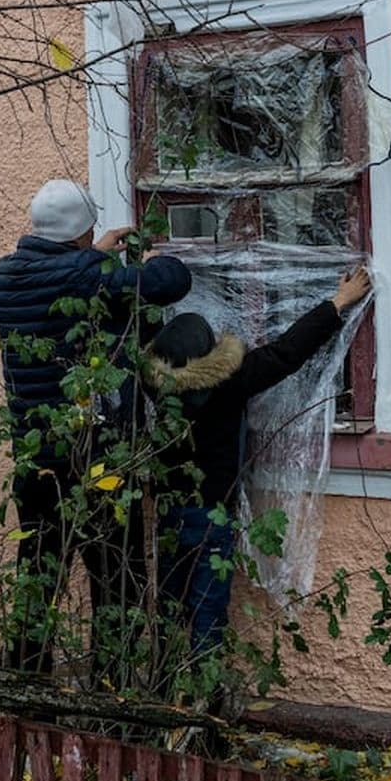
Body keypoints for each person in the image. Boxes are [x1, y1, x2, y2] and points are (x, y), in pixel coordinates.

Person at [0, 178, 193, 672]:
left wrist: (92, 254)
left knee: (38, 578)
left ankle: (25, 684)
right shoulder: (85, 275)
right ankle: (112, 687)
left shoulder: (1, 276)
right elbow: (172, 280)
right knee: (116, 581)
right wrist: (114, 258)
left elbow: (59, 273)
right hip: (96, 459)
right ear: (81, 234)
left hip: (36, 460)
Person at [142, 267, 374, 652]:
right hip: (212, 513)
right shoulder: (229, 383)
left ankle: (163, 688)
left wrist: (147, 273)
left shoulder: (153, 384)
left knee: (170, 604)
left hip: (168, 510)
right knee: (207, 608)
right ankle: (205, 697)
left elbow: (141, 335)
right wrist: (337, 304)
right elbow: (286, 353)